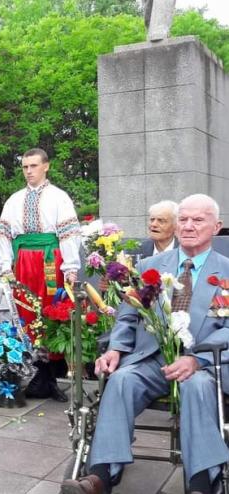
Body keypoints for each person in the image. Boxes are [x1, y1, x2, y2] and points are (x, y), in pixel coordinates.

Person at [62, 194, 229, 494]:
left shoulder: (227, 271)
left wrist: (196, 360)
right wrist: (116, 348)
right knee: (122, 378)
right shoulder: (150, 266)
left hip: (204, 364)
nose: (188, 226)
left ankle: (201, 482)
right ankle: (101, 475)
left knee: (195, 386)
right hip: (152, 359)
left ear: (216, 227)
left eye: (198, 220)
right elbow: (128, 317)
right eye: (184, 219)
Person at [0, 148, 81, 402]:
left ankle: (49, 377)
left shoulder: (59, 197)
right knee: (25, 315)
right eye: (25, 167)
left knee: (51, 313)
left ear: (46, 167)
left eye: (33, 166)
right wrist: (4, 267)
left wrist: (71, 267)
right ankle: (33, 376)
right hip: (23, 262)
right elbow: (3, 235)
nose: (29, 171)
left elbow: (69, 234)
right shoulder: (14, 199)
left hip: (49, 262)